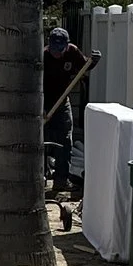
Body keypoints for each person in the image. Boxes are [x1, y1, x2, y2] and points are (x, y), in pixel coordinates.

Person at [42, 24, 95, 196]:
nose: (57, 53)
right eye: (54, 49)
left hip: (62, 101)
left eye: (60, 49)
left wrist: (92, 62)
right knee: (40, 141)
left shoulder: (72, 52)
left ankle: (61, 181)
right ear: (49, 44)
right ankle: (39, 178)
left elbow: (84, 69)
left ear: (66, 45)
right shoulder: (42, 57)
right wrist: (41, 108)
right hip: (43, 101)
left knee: (65, 140)